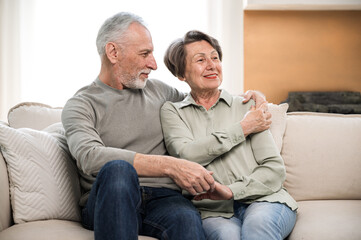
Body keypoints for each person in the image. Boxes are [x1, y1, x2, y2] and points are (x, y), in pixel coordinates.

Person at [61, 12, 269, 240]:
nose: (153, 64)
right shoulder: (81, 104)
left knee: (186, 220)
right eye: (144, 54)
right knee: (118, 170)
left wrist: (248, 98)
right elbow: (89, 156)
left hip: (164, 199)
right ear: (113, 52)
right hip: (109, 200)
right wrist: (170, 165)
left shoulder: (159, 91)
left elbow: (203, 102)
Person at [160, 30, 298, 240]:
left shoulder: (248, 106)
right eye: (200, 59)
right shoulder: (173, 111)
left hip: (265, 200)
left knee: (257, 229)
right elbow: (186, 156)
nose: (211, 65)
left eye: (215, 57)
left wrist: (231, 191)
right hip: (212, 210)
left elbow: (274, 169)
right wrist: (242, 128)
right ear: (182, 74)